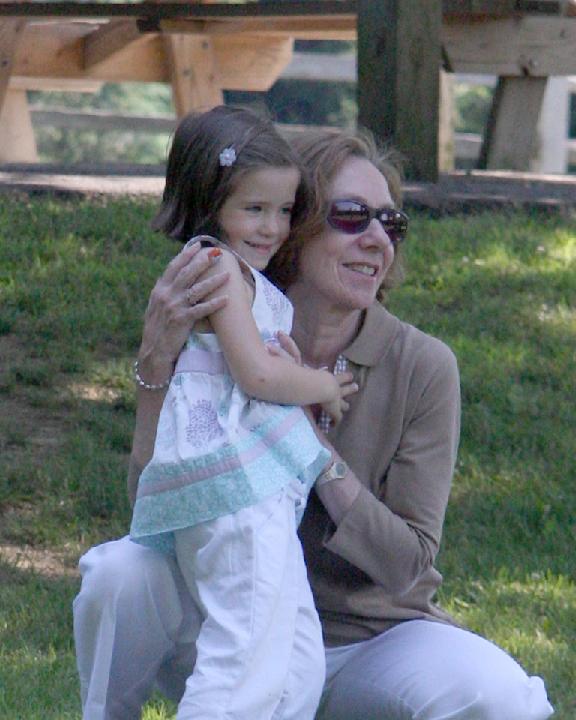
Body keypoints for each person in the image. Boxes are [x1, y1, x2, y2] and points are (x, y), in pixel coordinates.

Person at [73, 123, 555, 720]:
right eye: (352, 216)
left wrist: (310, 445)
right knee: (118, 573)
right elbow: (151, 505)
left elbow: (407, 564)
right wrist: (154, 365)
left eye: (391, 222)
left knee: (501, 696)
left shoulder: (422, 365)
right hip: (224, 613)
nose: (378, 239)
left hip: (367, 640)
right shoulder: (226, 325)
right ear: (293, 226)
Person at [125, 105, 358, 720]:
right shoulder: (218, 266)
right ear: (209, 201)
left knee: (297, 665)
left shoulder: (231, 270)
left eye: (283, 210)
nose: (272, 228)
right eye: (254, 208)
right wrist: (319, 385)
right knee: (242, 662)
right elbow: (256, 373)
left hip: (255, 492)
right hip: (235, 493)